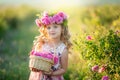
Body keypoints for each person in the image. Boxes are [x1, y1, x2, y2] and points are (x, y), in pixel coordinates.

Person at [29, 11, 72, 80]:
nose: (52, 30)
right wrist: (34, 67)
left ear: (62, 29)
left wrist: (51, 73)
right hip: (39, 77)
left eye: (55, 27)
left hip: (53, 77)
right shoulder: (42, 43)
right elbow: (35, 59)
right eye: (49, 28)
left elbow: (64, 69)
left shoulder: (63, 49)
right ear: (45, 30)